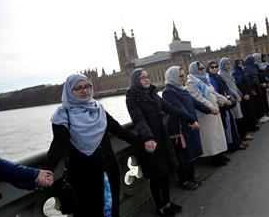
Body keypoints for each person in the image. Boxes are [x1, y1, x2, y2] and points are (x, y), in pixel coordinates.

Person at [43, 74, 140, 217]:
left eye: (87, 86)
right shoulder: (63, 115)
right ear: (70, 91)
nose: (84, 91)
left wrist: (142, 143)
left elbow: (118, 130)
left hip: (108, 169)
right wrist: (47, 170)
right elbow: (58, 145)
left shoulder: (98, 108)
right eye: (78, 88)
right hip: (82, 175)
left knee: (112, 209)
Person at [126, 68, 199, 216]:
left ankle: (167, 202)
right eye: (142, 78)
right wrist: (148, 138)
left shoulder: (153, 94)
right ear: (135, 81)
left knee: (165, 173)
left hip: (163, 138)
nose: (147, 80)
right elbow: (138, 119)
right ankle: (160, 207)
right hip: (150, 141)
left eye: (147, 76)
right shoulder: (132, 97)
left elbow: (171, 109)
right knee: (156, 177)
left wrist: (191, 120)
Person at [162, 66, 212, 190]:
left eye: (183, 75)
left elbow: (194, 102)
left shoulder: (182, 89)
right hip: (179, 128)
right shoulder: (168, 92)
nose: (183, 77)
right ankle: (184, 180)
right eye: (180, 76)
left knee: (192, 152)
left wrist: (209, 110)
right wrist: (191, 120)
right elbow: (179, 108)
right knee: (183, 155)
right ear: (172, 77)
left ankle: (191, 177)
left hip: (189, 125)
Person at [185, 61, 232, 166]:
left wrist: (224, 100)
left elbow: (213, 93)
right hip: (205, 114)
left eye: (202, 68)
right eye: (200, 69)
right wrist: (210, 107)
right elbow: (198, 98)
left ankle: (221, 155)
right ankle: (216, 158)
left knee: (218, 135)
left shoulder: (205, 80)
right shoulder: (191, 83)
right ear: (195, 70)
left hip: (214, 111)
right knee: (211, 138)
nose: (202, 70)